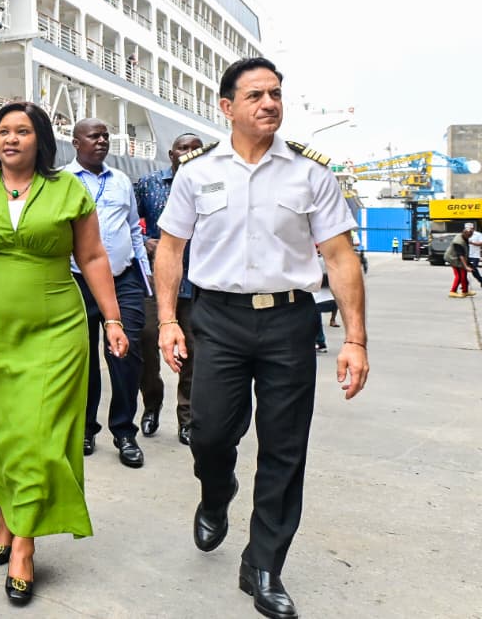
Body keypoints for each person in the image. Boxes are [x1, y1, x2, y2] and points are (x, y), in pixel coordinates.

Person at [155, 57, 370, 619]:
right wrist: (168, 321)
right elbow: (171, 249)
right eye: (255, 95)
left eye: (275, 94)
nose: (269, 104)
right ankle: (216, 491)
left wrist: (355, 339)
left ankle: (264, 564)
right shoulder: (197, 172)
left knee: (284, 447)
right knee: (208, 433)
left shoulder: (310, 173)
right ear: (227, 107)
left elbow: (340, 256)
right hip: (218, 320)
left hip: (289, 321)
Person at [0, 101, 128, 604]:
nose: (9, 139)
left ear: (40, 139)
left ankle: (23, 545)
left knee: (40, 434)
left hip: (56, 329)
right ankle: (8, 516)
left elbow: (92, 256)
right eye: (3, 132)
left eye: (21, 131)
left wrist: (112, 319)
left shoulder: (68, 189)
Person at [66, 118, 150, 468]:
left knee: (126, 354)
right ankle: (85, 429)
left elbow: (133, 229)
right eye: (94, 136)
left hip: (123, 279)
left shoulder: (121, 181)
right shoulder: (61, 181)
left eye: (105, 136)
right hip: (77, 280)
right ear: (76, 142)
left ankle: (125, 432)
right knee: (82, 358)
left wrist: (145, 276)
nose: (102, 141)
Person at [134, 132, 205, 444]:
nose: (188, 153)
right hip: (156, 281)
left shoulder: (211, 185)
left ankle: (186, 417)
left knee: (193, 350)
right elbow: (126, 220)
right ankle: (152, 403)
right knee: (146, 339)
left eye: (195, 148)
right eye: (182, 148)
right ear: (171, 153)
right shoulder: (149, 184)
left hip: (197, 282)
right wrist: (143, 240)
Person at [446, 225, 475, 297]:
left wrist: (467, 264)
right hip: (453, 258)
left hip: (459, 258)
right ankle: (452, 291)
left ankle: (465, 291)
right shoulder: (458, 242)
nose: (469, 237)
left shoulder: (464, 237)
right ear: (465, 233)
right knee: (458, 276)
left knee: (464, 274)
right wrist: (466, 266)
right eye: (469, 236)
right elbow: (461, 255)